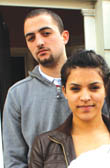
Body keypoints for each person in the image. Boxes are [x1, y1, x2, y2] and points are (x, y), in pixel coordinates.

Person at [28, 50, 110, 168]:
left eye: (94, 88)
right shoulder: (44, 145)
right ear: (64, 91)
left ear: (106, 89)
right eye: (75, 89)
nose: (85, 97)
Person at [2, 9, 71, 168]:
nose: (39, 42)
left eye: (46, 33)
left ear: (64, 36)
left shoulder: (93, 85)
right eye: (31, 38)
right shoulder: (17, 95)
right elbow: (14, 160)